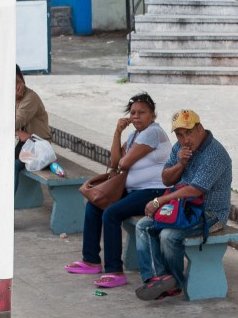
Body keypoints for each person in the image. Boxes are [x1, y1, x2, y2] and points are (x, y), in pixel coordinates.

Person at [64, 92, 171, 288]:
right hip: (134, 191)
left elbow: (124, 163)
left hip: (154, 192)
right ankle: (91, 260)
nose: (136, 117)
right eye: (133, 113)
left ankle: (115, 271)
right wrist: (117, 132)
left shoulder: (153, 133)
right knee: (95, 205)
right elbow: (114, 162)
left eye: (141, 112)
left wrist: (121, 160)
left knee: (111, 214)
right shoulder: (134, 135)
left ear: (152, 115)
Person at [134, 109, 232, 301]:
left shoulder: (215, 154)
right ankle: (157, 279)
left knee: (168, 235)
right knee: (143, 226)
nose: (185, 139)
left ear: (200, 128)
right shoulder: (179, 148)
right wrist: (181, 164)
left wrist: (159, 201)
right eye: (179, 134)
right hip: (181, 208)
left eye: (189, 132)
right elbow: (166, 179)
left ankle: (175, 282)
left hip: (209, 214)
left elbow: (194, 190)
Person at [14, 64, 50, 191]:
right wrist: (18, 133)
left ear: (22, 78)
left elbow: (14, 123)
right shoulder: (6, 97)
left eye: (16, 81)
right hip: (22, 145)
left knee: (13, 165)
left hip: (38, 148)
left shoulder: (30, 98)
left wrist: (16, 99)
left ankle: (8, 200)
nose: (16, 87)